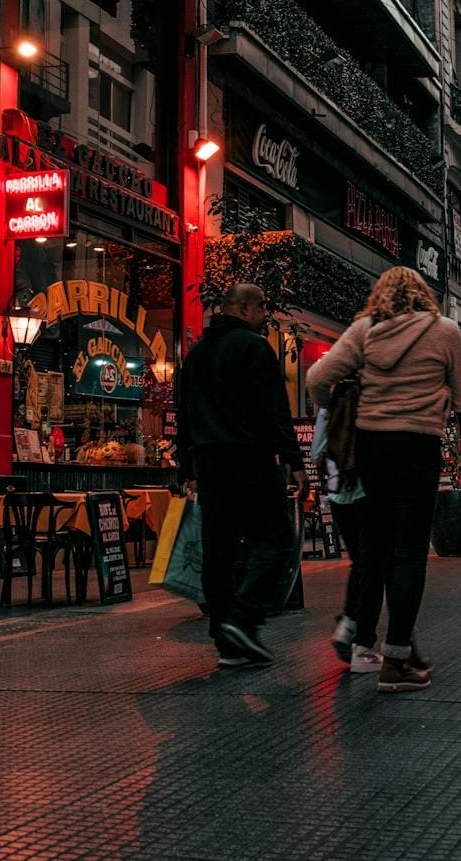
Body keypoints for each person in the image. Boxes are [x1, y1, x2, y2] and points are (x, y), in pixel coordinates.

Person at [307, 266, 461, 694]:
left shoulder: (364, 330)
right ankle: (397, 658)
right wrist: (437, 402)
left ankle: (384, 649)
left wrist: (347, 404)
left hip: (372, 448)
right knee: (411, 550)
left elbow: (317, 379)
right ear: (423, 294)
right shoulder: (446, 330)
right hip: (419, 447)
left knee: (378, 545)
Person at [175, 283, 303, 669]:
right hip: (250, 460)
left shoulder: (196, 355)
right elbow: (274, 408)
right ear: (245, 308)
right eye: (263, 306)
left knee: (220, 550)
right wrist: (293, 459)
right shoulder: (253, 346)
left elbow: (184, 414)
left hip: (210, 465)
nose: (267, 313)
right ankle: (242, 619)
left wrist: (187, 467)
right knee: (276, 539)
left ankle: (226, 641)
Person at [310, 404, 381, 674]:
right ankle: (361, 641)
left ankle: (350, 623)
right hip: (368, 491)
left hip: (338, 493)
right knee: (373, 565)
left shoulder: (330, 404)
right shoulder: (373, 396)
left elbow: (317, 451)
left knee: (361, 562)